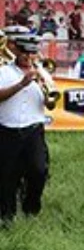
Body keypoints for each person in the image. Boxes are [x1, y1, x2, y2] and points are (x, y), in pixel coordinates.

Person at [0, 36, 52, 224]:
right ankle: (7, 216)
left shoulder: (43, 73)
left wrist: (46, 90)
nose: (28, 57)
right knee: (7, 175)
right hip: (8, 129)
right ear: (16, 52)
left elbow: (51, 104)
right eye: (24, 52)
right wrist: (22, 84)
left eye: (31, 53)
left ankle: (31, 209)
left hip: (34, 130)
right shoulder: (4, 72)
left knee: (39, 170)